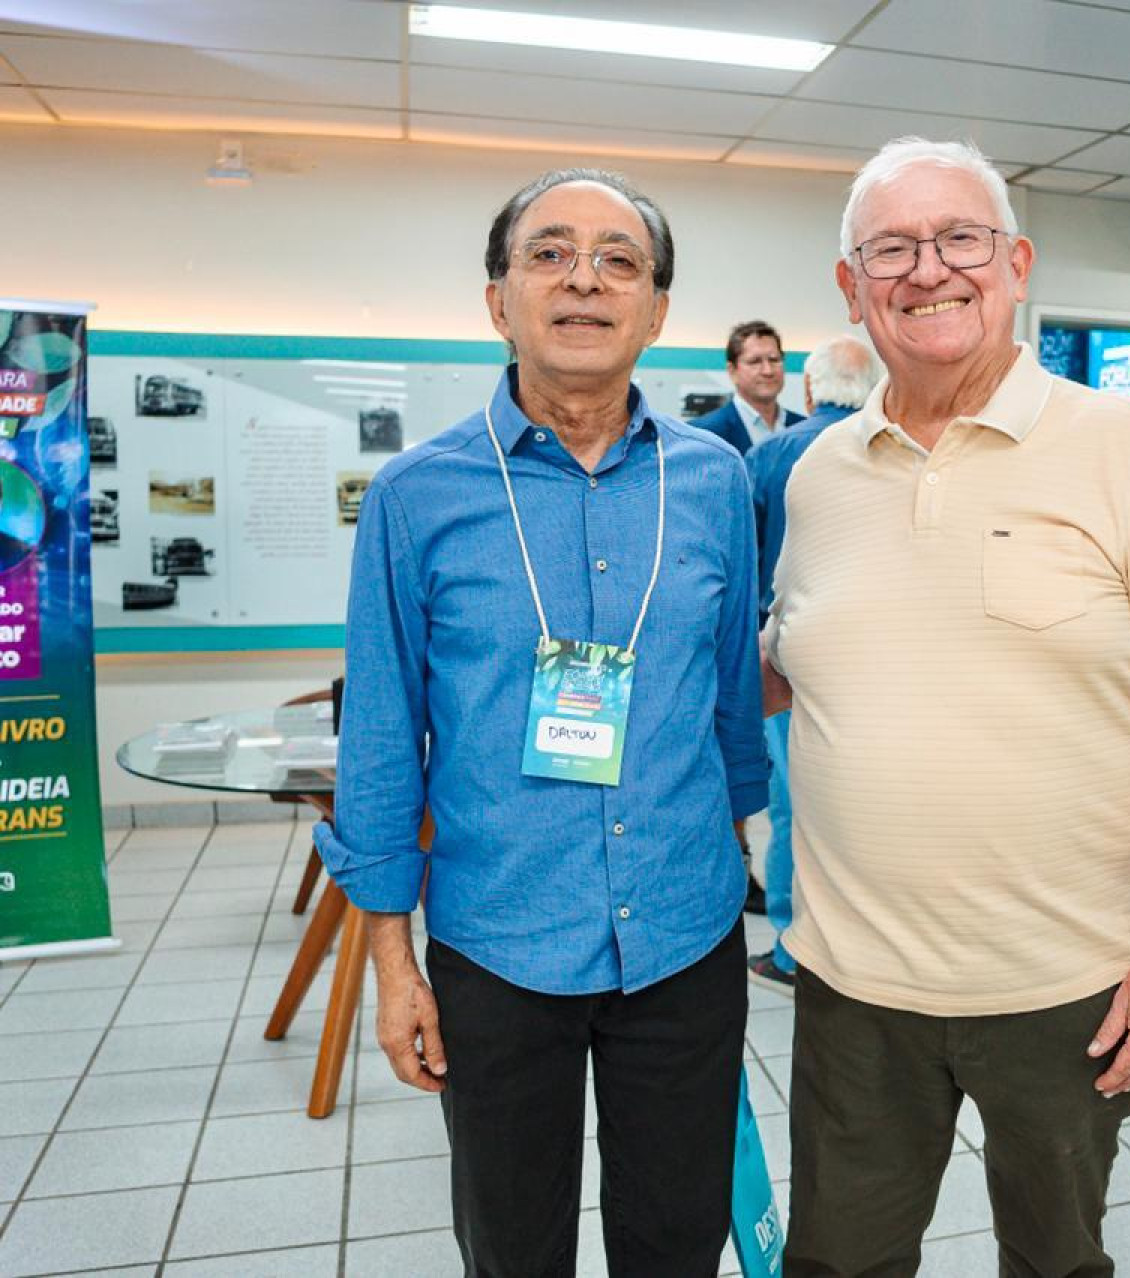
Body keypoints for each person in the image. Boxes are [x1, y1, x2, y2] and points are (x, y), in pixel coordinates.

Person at [763, 137, 1130, 1277]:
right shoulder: (818, 473)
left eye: (960, 239)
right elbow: (790, 655)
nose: (928, 269)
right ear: (851, 286)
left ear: (1017, 264)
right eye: (891, 247)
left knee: (1054, 1262)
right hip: (854, 988)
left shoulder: (1129, 449)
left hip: (1068, 987)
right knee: (837, 1264)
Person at [314, 167, 767, 1278]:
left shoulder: (714, 482)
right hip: (500, 942)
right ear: (498, 299)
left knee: (675, 1239)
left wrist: (752, 853)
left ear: (656, 312)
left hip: (684, 933)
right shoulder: (420, 496)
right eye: (549, 253)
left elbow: (728, 707)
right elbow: (382, 734)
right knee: (513, 1248)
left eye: (621, 261)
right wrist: (391, 957)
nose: (585, 281)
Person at [741, 334, 881, 992]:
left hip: (788, 658)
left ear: (807, 388)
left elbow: (740, 565)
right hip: (875, 667)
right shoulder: (889, 448)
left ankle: (794, 949)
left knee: (793, 806)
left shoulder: (768, 455)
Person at [689, 319, 804, 454]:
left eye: (774, 360)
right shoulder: (704, 434)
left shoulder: (805, 429)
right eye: (755, 362)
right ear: (732, 371)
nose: (768, 371)